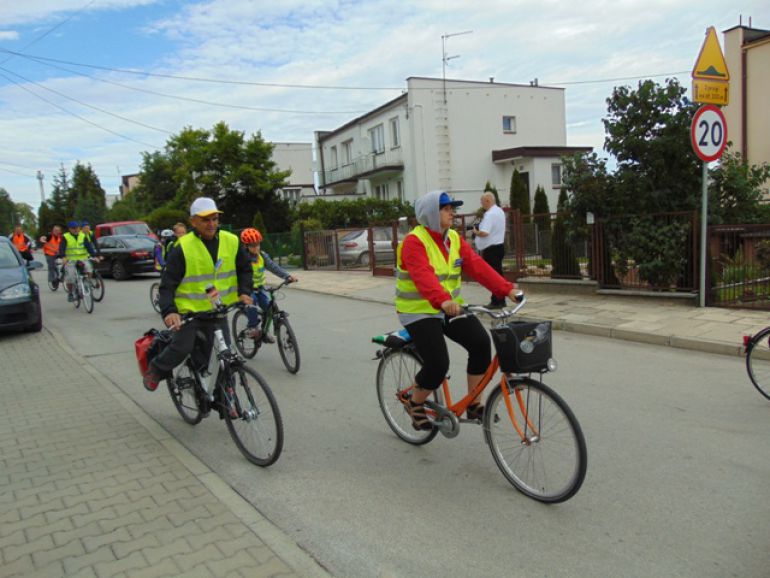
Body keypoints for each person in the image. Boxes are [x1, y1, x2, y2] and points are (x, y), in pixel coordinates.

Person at [396, 190, 519, 430]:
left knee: (481, 343)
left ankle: (473, 403)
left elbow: (477, 266)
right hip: (418, 311)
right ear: (431, 213)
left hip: (448, 309)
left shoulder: (452, 238)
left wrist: (507, 289)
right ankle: (415, 401)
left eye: (453, 207)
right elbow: (423, 277)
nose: (452, 212)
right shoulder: (414, 241)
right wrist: (441, 300)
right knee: (439, 363)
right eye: (446, 208)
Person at [143, 197, 253, 391]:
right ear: (193, 221)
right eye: (205, 220)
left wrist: (244, 292)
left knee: (225, 356)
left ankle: (226, 401)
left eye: (214, 219)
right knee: (182, 347)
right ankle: (156, 368)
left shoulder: (232, 241)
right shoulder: (182, 247)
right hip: (190, 313)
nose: (211, 224)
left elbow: (244, 269)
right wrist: (169, 311)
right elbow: (167, 284)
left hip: (218, 310)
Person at [239, 227, 298, 343]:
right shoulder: (243, 258)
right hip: (248, 289)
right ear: (246, 246)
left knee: (269, 309)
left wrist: (287, 276)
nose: (256, 247)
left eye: (258, 244)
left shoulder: (262, 256)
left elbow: (273, 267)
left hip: (260, 288)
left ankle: (265, 332)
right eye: (252, 245)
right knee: (253, 305)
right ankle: (252, 328)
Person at [473, 191, 507, 308]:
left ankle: (497, 301)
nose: (481, 204)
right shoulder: (499, 211)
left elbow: (484, 232)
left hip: (491, 249)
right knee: (498, 274)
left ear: (488, 201)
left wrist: (476, 232)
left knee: (493, 276)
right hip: (499, 247)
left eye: (482, 202)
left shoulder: (490, 214)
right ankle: (500, 299)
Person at [58, 220, 98, 302]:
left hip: (82, 258)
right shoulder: (65, 237)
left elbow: (89, 247)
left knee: (89, 269)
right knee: (70, 277)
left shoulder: (83, 236)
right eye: (73, 228)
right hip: (71, 260)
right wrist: (63, 257)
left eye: (77, 228)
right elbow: (62, 247)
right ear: (69, 229)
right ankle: (70, 293)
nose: (76, 229)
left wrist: (95, 256)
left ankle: (87, 284)